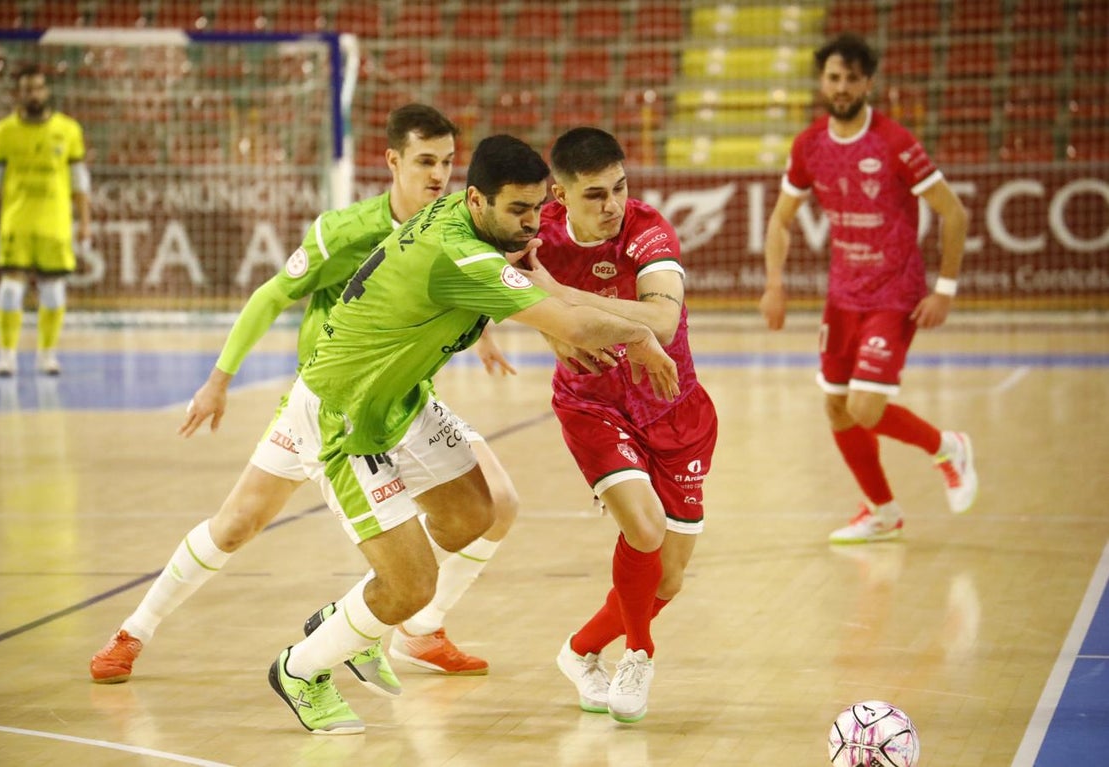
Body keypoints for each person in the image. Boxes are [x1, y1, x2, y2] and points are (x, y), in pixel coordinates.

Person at [267, 134, 680, 734]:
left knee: (473, 514)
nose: (532, 224)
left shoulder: (472, 225)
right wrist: (639, 337)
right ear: (477, 200)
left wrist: (553, 328)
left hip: (400, 397)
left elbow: (523, 305)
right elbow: (567, 317)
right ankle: (300, 669)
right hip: (343, 411)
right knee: (410, 586)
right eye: (517, 211)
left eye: (539, 208)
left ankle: (355, 624)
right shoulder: (461, 255)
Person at [89, 105, 515, 685]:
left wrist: (483, 330)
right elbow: (270, 297)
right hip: (328, 405)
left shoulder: (454, 222)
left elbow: (458, 281)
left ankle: (412, 628)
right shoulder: (344, 232)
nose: (439, 175)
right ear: (392, 162)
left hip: (406, 400)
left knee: (497, 505)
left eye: (447, 162)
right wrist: (220, 380)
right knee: (237, 525)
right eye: (425, 162)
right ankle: (133, 631)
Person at [511, 127, 718, 724]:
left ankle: (579, 652)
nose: (613, 206)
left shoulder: (648, 227)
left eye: (620, 188)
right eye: (596, 195)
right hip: (592, 406)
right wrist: (552, 328)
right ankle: (640, 654)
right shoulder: (535, 234)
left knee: (669, 579)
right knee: (645, 529)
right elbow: (490, 290)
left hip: (674, 411)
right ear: (561, 196)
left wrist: (562, 296)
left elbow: (663, 318)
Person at [759, 33, 978, 544]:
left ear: (868, 83)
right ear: (822, 81)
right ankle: (882, 512)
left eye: (852, 78)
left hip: (895, 295)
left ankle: (947, 447)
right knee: (835, 406)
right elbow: (781, 220)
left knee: (864, 408)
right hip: (843, 296)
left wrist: (944, 288)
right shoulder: (809, 144)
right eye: (833, 77)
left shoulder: (895, 142)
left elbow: (954, 212)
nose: (841, 87)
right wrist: (775, 283)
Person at [0, 63, 91, 377]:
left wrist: (85, 222)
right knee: (11, 289)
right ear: (19, 93)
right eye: (27, 89)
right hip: (16, 224)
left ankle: (47, 355)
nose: (34, 94)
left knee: (53, 291)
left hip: (54, 225)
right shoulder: (4, 132)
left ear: (46, 90)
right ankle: (7, 355)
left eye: (38, 88)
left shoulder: (68, 130)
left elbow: (79, 182)